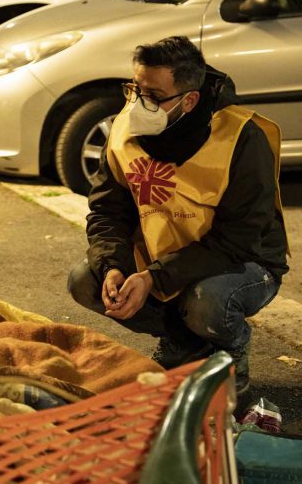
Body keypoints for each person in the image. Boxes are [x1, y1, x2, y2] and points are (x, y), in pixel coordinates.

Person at [67, 36, 289, 394]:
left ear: (189, 100)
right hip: (163, 259)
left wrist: (154, 278)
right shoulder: (125, 129)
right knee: (85, 280)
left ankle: (230, 352)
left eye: (154, 96)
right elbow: (107, 211)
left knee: (208, 301)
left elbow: (238, 239)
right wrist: (113, 267)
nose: (139, 104)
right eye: (136, 90)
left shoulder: (241, 137)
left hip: (243, 261)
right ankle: (183, 342)